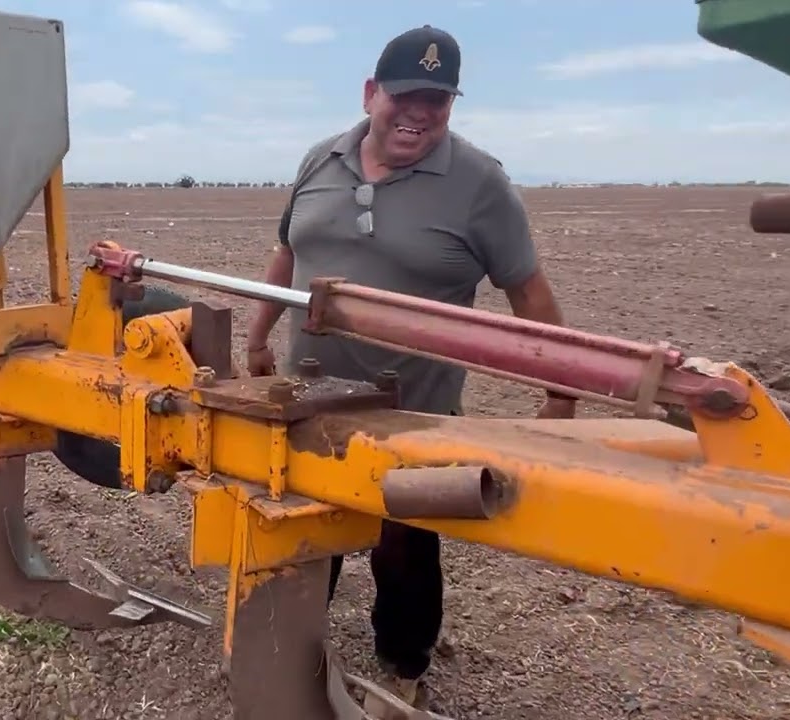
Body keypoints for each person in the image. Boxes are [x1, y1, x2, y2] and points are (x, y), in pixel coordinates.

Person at [244, 24, 576, 715]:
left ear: (451, 106)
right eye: (405, 97)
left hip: (413, 412)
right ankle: (298, 657)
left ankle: (402, 664)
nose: (419, 113)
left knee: (403, 550)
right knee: (307, 532)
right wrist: (256, 339)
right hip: (308, 400)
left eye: (438, 99)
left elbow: (530, 294)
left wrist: (560, 392)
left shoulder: (479, 183)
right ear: (372, 95)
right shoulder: (319, 160)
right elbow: (286, 255)